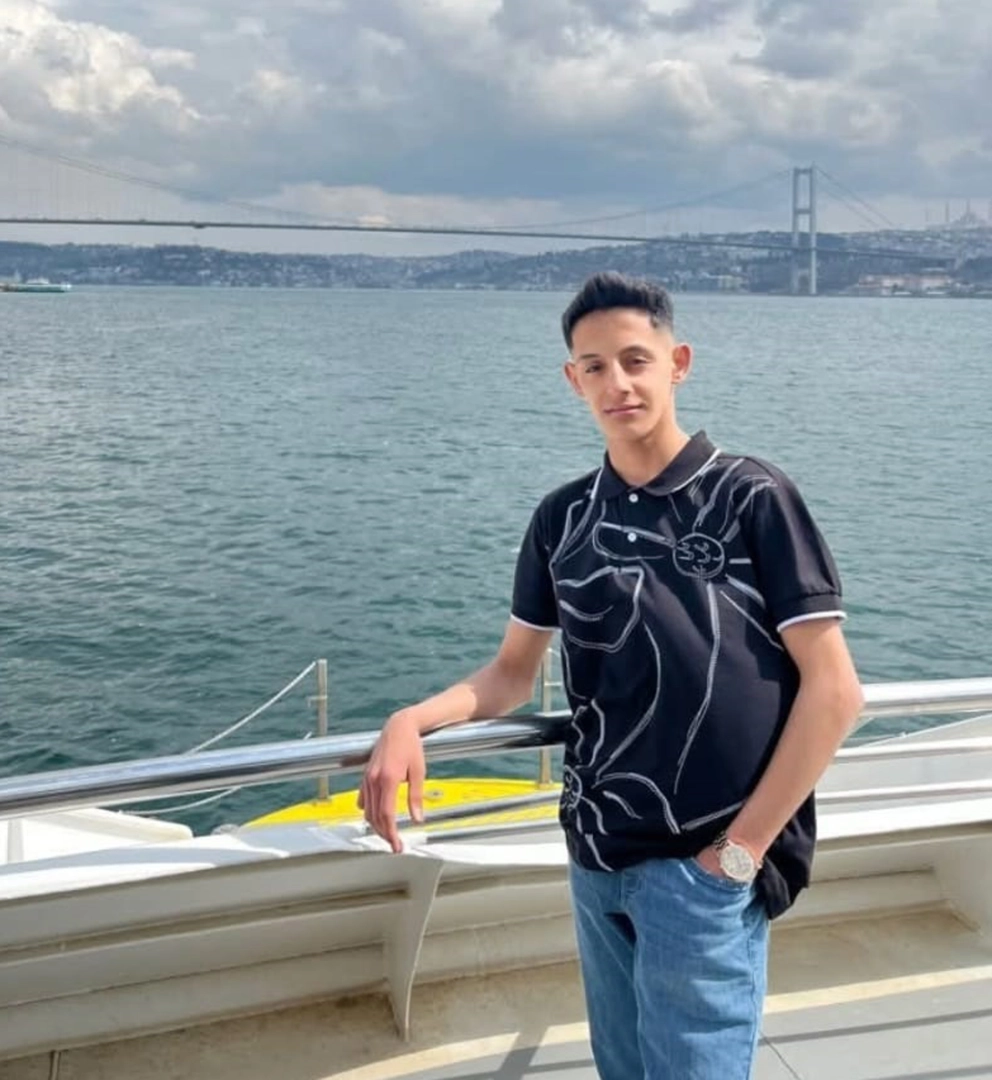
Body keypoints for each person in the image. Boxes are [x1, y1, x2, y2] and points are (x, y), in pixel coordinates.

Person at [359, 272, 864, 1079]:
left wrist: (737, 854)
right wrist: (409, 720)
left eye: (635, 360)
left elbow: (834, 691)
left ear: (678, 363)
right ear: (573, 379)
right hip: (596, 857)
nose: (617, 383)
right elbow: (512, 674)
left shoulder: (751, 496)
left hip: (706, 864)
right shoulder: (562, 518)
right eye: (594, 366)